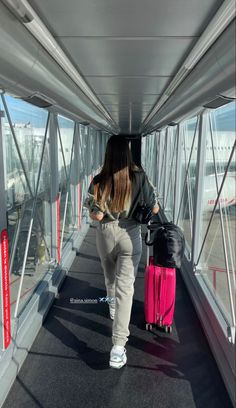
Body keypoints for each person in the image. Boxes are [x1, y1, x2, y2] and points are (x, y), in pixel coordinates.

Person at [84, 135, 159, 369]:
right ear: (127, 153)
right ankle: (118, 347)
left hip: (105, 233)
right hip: (131, 235)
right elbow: (155, 207)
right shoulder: (139, 176)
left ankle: (112, 307)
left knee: (109, 277)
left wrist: (101, 208)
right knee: (126, 288)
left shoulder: (99, 180)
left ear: (107, 153)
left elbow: (95, 214)